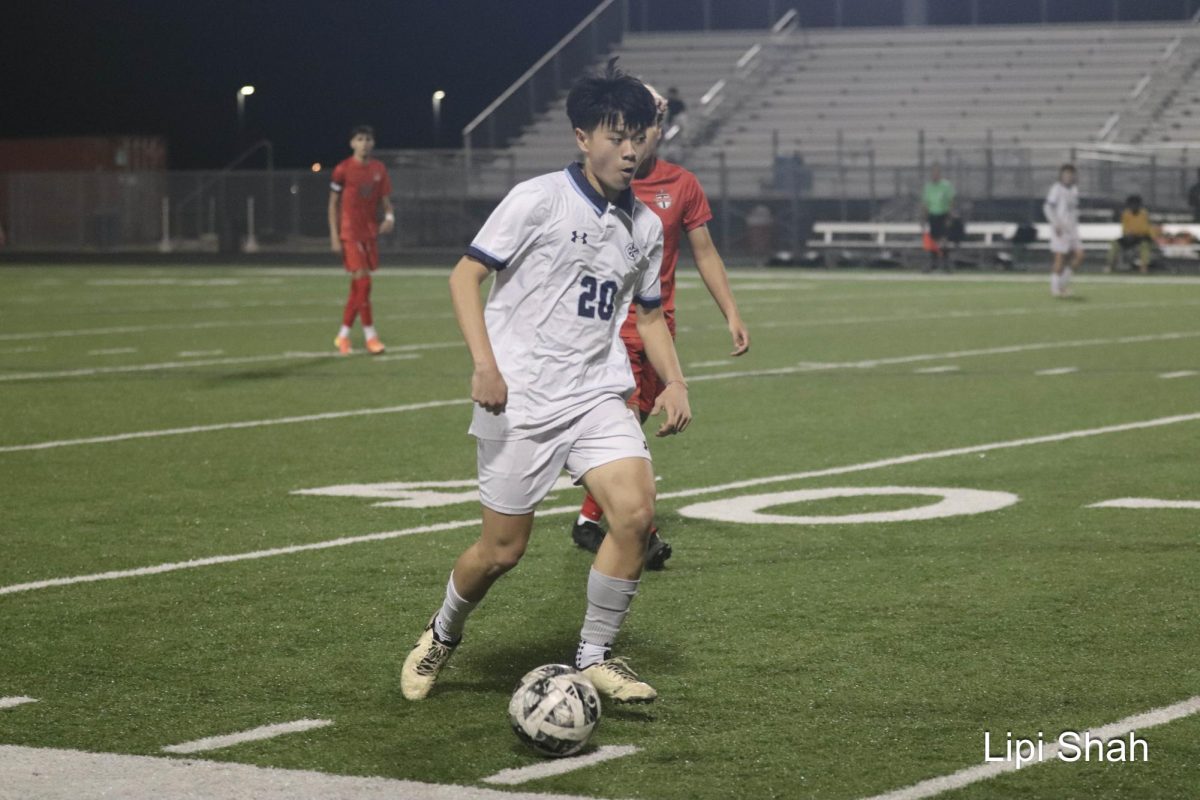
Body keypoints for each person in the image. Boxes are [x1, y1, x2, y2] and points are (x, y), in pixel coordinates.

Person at [400, 62, 691, 705]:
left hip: (594, 393)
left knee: (636, 516)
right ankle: (442, 634)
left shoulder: (644, 225)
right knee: (501, 552)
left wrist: (674, 382)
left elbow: (646, 315)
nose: (630, 149)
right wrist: (485, 364)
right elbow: (463, 277)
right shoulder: (538, 198)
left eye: (638, 135)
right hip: (522, 398)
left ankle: (594, 656)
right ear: (581, 138)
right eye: (616, 136)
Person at [570, 82, 750, 568]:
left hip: (655, 329)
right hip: (606, 329)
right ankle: (643, 534)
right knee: (621, 426)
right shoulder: (597, 183)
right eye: (632, 129)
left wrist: (730, 310)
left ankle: (589, 519)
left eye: (650, 125)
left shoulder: (681, 184)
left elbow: (705, 252)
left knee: (633, 423)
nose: (643, 138)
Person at [328, 125, 394, 355]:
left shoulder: (378, 169)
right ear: (352, 143)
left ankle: (343, 336)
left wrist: (389, 217)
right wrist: (335, 235)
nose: (364, 143)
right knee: (364, 284)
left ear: (372, 143)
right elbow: (332, 204)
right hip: (350, 232)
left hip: (369, 233)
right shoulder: (343, 169)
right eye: (359, 139)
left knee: (358, 288)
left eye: (368, 139)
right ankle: (371, 337)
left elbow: (385, 200)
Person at [1043, 163, 1083, 298]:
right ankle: (1055, 288)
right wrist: (1056, 224)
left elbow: (1073, 211)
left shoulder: (1074, 189)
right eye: (1066, 174)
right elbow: (1048, 208)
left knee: (1079, 255)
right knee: (1059, 258)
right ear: (1061, 175)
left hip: (1072, 229)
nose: (1068, 177)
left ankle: (1061, 284)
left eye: (1071, 174)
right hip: (1060, 229)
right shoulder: (1056, 189)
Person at [1105, 194, 1153, 274]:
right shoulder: (1126, 214)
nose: (1133, 206)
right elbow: (1125, 229)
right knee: (1115, 243)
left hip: (1140, 238)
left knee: (1144, 245)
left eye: (1135, 204)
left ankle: (1143, 268)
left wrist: (1136, 233)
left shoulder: (1144, 214)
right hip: (1129, 238)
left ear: (1139, 205)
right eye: (1132, 204)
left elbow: (1145, 229)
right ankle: (1109, 266)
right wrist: (1129, 234)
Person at [921, 163, 955, 273]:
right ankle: (933, 264)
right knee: (933, 240)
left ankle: (945, 264)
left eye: (936, 172)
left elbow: (951, 201)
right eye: (933, 173)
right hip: (933, 215)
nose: (934, 175)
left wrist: (950, 216)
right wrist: (924, 218)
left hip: (943, 215)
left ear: (939, 174)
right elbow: (926, 203)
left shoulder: (946, 185)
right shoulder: (928, 187)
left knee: (944, 240)